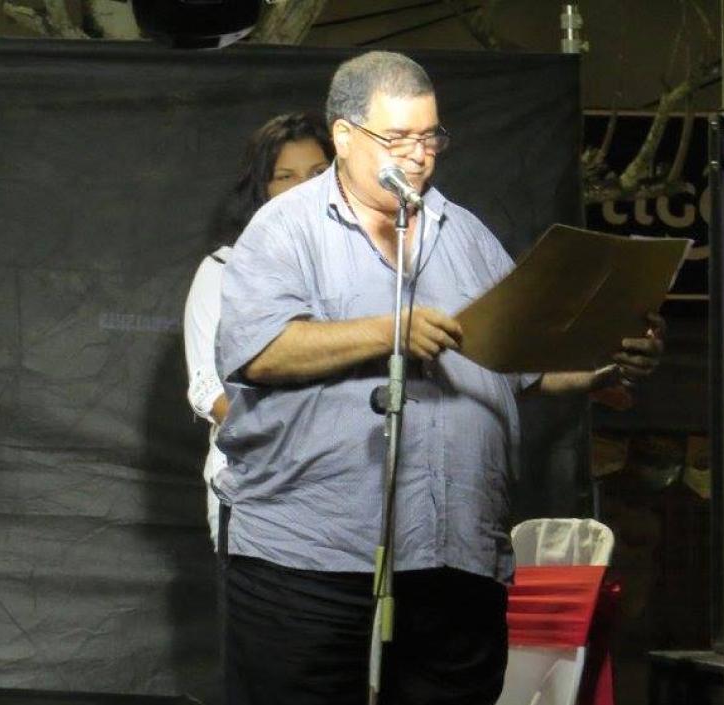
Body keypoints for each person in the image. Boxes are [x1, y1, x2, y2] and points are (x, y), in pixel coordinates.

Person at [214, 51, 665, 705]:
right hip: (310, 559)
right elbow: (260, 351)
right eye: (397, 137)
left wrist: (602, 364)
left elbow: (518, 365)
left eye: (430, 136)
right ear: (343, 135)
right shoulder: (285, 230)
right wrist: (389, 331)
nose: (420, 154)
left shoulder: (467, 236)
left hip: (454, 556)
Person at [182, 112, 334, 548]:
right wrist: (284, 446)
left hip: (346, 497)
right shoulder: (224, 269)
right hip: (256, 492)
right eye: (285, 176)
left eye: (318, 172)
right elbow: (206, 386)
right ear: (263, 187)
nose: (304, 186)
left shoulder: (364, 269)